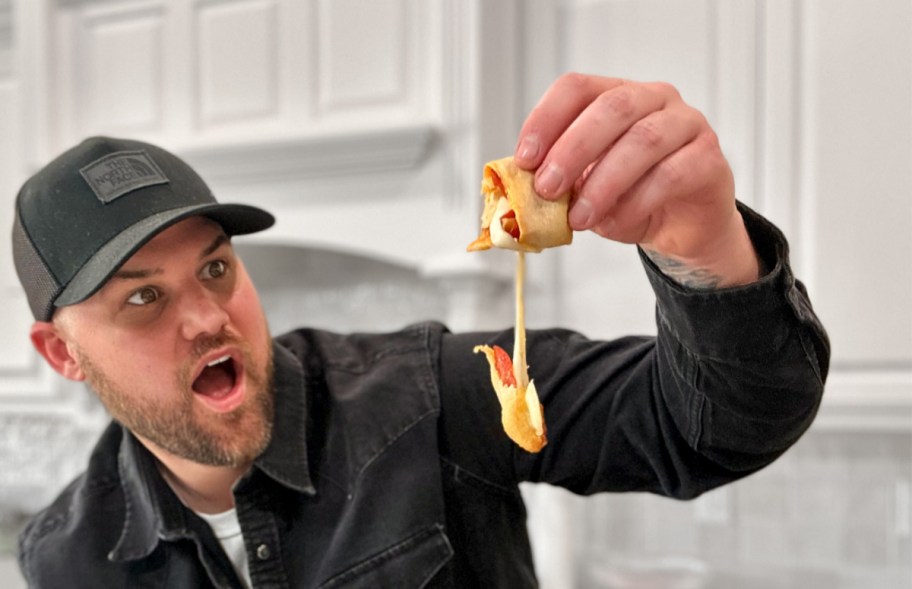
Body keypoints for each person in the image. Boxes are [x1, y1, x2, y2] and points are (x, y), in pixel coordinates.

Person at [13, 73, 829, 588]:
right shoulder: (68, 556)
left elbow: (717, 427)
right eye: (142, 299)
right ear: (62, 353)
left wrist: (704, 245)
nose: (206, 315)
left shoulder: (432, 390)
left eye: (217, 267)